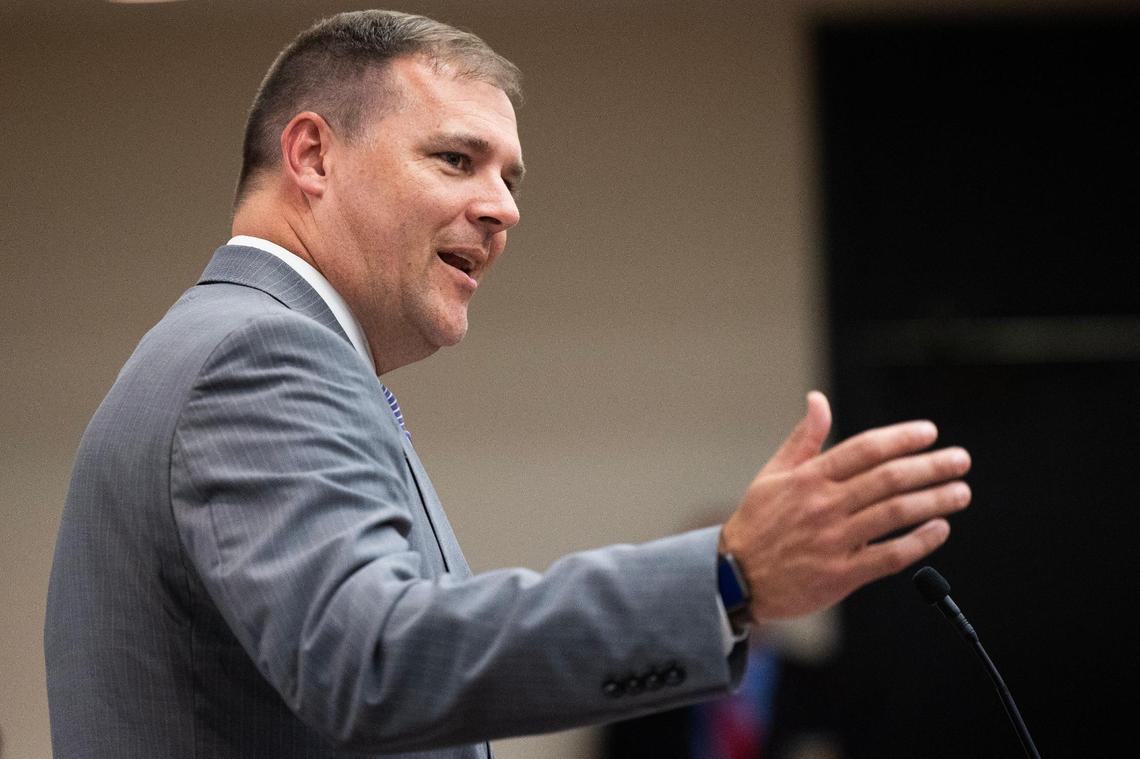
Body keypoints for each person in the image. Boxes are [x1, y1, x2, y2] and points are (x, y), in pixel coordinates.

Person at [43, 10, 971, 759]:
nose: (504, 208)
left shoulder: (231, 345)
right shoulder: (260, 353)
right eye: (456, 159)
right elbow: (376, 660)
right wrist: (725, 577)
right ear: (314, 156)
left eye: (510, 177)